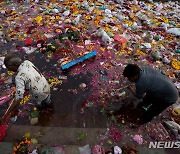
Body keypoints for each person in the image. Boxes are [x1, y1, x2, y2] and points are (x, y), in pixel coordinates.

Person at [0, 54, 51, 124]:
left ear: (12, 67)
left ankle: (42, 109)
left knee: (39, 104)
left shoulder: (19, 77)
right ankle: (49, 105)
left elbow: (18, 98)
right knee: (47, 100)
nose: (8, 69)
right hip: (46, 86)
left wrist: (5, 115)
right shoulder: (27, 62)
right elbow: (29, 76)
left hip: (39, 95)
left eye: (8, 67)